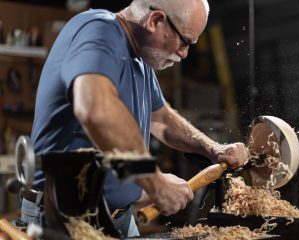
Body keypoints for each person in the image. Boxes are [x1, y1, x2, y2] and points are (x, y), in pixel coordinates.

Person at [21, 0, 249, 237]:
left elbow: (160, 119)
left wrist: (213, 149)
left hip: (119, 217)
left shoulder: (141, 58)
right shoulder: (98, 30)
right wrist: (156, 182)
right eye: (185, 41)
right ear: (156, 21)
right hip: (67, 218)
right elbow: (95, 108)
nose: (184, 53)